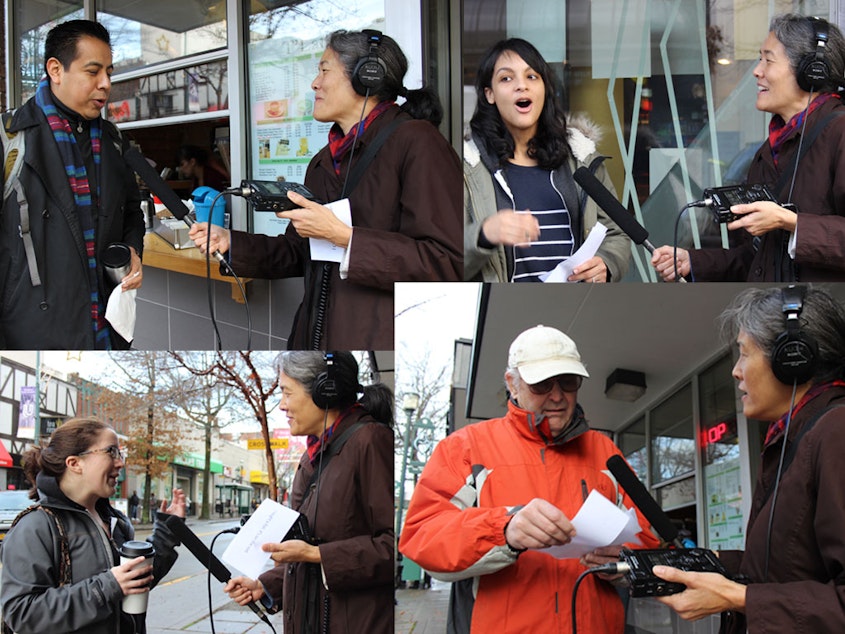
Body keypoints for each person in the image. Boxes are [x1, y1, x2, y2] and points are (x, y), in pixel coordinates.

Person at [189, 30, 462, 349]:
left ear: (366, 77)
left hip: (380, 342)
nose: (314, 83)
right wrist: (231, 242)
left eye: (324, 70)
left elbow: (447, 263)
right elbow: (297, 251)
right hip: (314, 336)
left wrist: (346, 237)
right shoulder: (322, 161)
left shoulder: (418, 142)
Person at [398, 325, 659, 633]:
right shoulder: (465, 448)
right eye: (542, 384)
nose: (558, 396)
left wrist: (625, 561)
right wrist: (504, 530)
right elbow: (422, 539)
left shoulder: (606, 451)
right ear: (513, 384)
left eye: (568, 381)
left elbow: (650, 540)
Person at [653, 285, 845, 632]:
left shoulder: (836, 431)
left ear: (792, 359)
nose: (735, 371)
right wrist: (696, 564)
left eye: (744, 354)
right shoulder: (794, 437)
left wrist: (738, 598)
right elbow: (780, 570)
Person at [651, 14, 845, 282]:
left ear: (811, 70)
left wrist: (791, 223)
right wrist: (692, 261)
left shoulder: (839, 131)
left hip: (826, 319)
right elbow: (757, 258)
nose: (757, 70)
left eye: (768, 59)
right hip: (774, 316)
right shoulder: (769, 151)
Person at [222, 351, 394, 633]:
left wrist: (318, 555)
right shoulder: (310, 457)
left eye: (287, 393)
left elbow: (392, 544)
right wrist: (264, 585)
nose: (282, 406)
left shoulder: (371, 441)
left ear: (325, 391)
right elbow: (303, 549)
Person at [0, 20, 144, 349]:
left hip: (107, 326)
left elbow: (133, 211)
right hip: (31, 330)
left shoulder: (113, 140)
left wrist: (134, 250)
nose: (106, 84)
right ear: (56, 69)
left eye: (109, 71)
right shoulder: (10, 139)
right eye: (93, 71)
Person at [464, 38, 631, 283]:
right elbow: (438, 256)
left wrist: (606, 262)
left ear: (545, 88)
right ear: (489, 94)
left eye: (532, 77)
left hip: (574, 311)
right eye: (506, 78)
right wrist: (484, 234)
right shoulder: (467, 168)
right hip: (503, 312)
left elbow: (617, 232)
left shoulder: (580, 157)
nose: (522, 86)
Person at [0, 417, 186, 634]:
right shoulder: (36, 527)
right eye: (111, 452)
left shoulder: (116, 522)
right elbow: (22, 614)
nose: (120, 462)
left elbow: (134, 585)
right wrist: (107, 587)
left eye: (120, 454)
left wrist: (167, 531)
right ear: (75, 463)